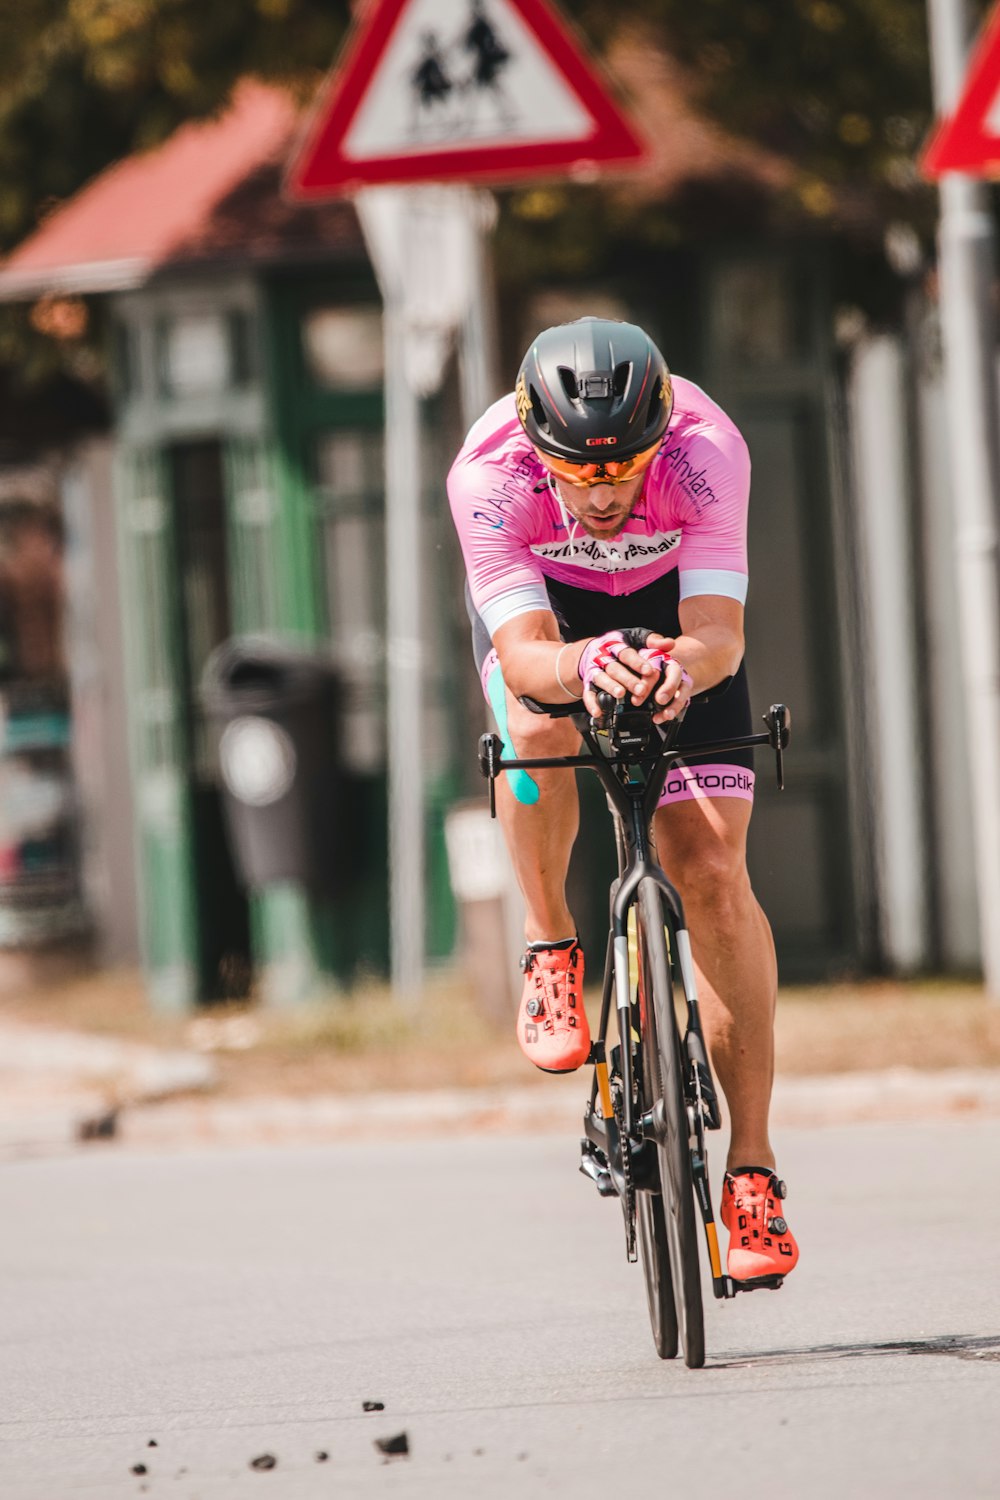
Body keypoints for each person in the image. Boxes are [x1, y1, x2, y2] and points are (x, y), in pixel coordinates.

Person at [447, 317, 798, 1282]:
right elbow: (520, 656)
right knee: (535, 728)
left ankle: (753, 1173)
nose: (603, 493)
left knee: (715, 872)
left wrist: (680, 669)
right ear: (536, 444)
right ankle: (552, 939)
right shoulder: (490, 475)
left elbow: (718, 633)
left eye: (624, 468)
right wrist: (581, 663)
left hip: (675, 623)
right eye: (579, 471)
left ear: (660, 435)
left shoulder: (706, 451)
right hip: (554, 627)